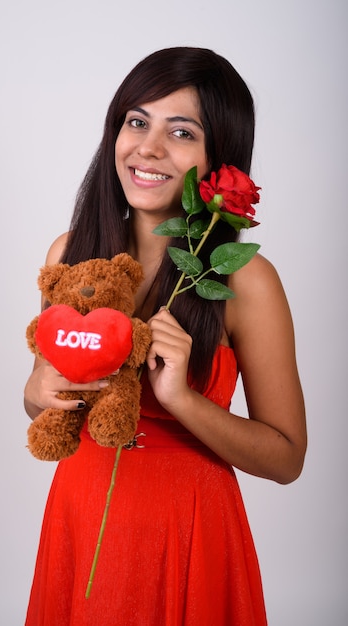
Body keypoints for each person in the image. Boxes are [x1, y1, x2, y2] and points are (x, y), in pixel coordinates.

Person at [24, 47, 306, 626]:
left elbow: (287, 458)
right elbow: (39, 404)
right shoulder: (69, 254)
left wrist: (183, 400)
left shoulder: (246, 281)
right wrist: (38, 388)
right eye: (136, 121)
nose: (147, 148)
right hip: (81, 514)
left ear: (218, 157)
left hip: (191, 533)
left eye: (181, 131)